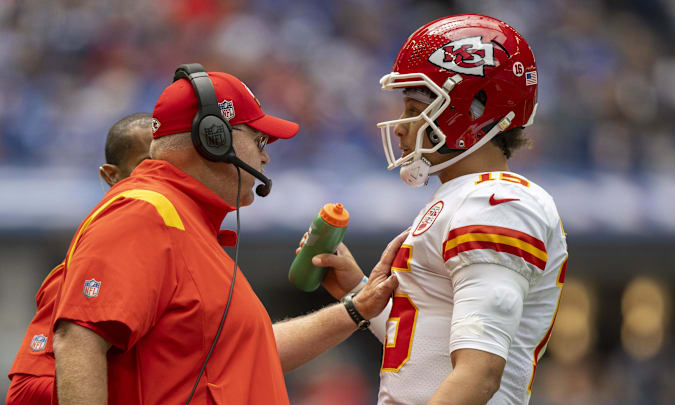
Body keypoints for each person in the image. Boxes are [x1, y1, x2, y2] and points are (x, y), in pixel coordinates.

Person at [50, 67, 402, 405]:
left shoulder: (184, 222)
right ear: (213, 139)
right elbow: (78, 339)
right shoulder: (144, 211)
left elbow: (249, 353)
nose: (265, 156)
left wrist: (357, 309)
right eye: (258, 139)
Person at [312, 14, 569, 404]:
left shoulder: (497, 203)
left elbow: (479, 374)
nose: (400, 126)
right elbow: (425, 345)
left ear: (475, 108)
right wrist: (359, 290)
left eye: (414, 107)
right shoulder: (464, 196)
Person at [5, 113, 154, 405]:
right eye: (147, 165)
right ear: (111, 176)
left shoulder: (175, 238)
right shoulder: (103, 246)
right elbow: (27, 389)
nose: (163, 174)